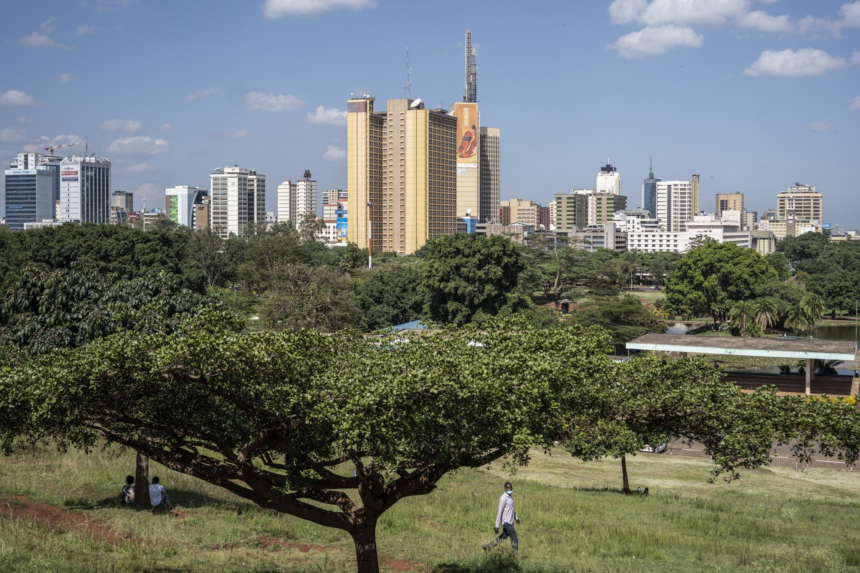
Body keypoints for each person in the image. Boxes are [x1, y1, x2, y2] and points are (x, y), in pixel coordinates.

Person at [483, 482, 519, 552]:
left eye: (511, 488)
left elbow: (511, 509)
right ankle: (514, 556)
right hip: (506, 522)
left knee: (503, 536)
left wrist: (516, 518)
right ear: (505, 488)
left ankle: (488, 547)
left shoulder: (510, 497)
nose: (510, 489)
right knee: (514, 538)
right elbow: (499, 512)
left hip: (510, 521)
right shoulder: (503, 499)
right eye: (508, 488)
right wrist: (496, 525)